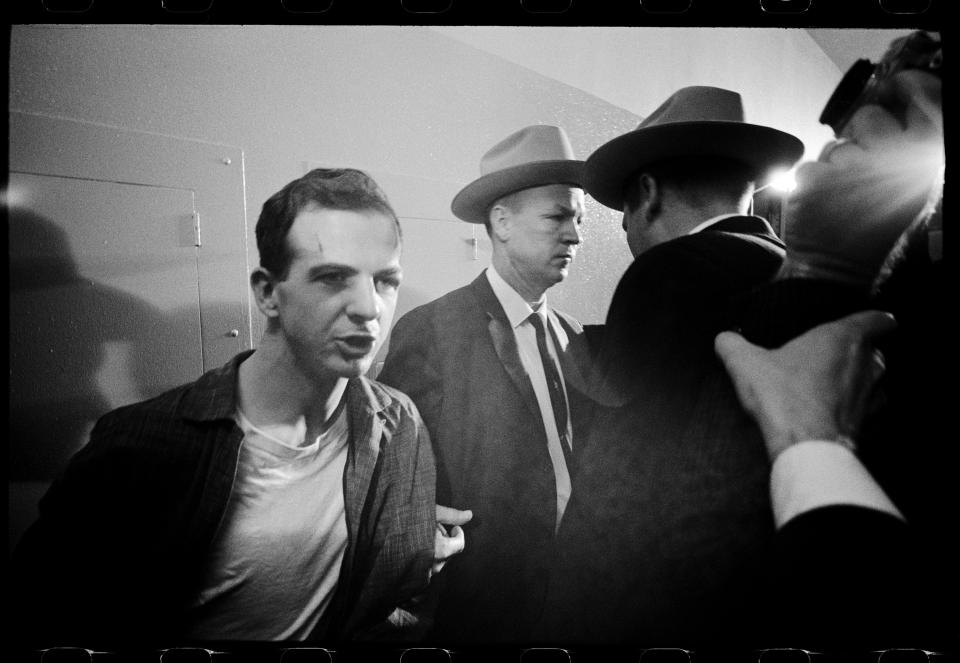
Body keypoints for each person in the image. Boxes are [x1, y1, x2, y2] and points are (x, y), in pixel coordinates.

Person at [10, 168, 468, 648]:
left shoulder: (397, 422)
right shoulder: (142, 444)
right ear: (268, 293)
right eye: (333, 277)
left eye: (386, 281)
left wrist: (419, 552)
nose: (369, 308)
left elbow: (400, 601)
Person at [536, 86, 807, 646]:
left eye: (623, 215)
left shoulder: (669, 272)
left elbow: (619, 484)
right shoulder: (792, 272)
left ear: (649, 193)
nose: (629, 232)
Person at [378, 125, 592, 642]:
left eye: (580, 219)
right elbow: (389, 466)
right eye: (558, 217)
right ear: (501, 221)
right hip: (481, 605)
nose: (576, 235)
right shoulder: (431, 330)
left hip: (574, 595)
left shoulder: (571, 335)